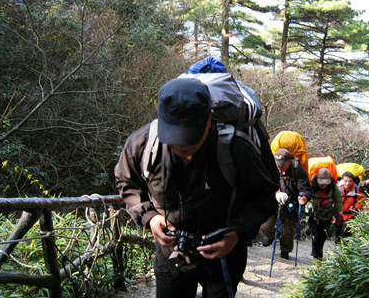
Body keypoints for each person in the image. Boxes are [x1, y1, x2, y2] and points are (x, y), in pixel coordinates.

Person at [115, 77, 279, 298]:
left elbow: (265, 198)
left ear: (209, 119)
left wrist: (237, 232)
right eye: (173, 137)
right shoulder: (143, 143)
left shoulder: (235, 148)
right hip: (171, 254)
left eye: (190, 137)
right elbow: (127, 183)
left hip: (224, 256)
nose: (182, 145)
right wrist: (150, 217)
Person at [260, 149, 312, 259]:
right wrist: (275, 193)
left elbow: (306, 189)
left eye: (282, 165)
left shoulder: (297, 170)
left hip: (290, 203)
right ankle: (273, 235)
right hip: (274, 200)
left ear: (289, 162)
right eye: (277, 165)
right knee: (265, 226)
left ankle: (285, 251)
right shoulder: (272, 168)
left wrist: (303, 197)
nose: (279, 168)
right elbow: (266, 184)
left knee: (288, 233)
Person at [307, 167, 342, 259]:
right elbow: (306, 196)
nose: (323, 184)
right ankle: (316, 252)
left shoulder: (333, 187)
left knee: (323, 234)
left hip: (327, 213)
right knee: (316, 234)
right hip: (313, 213)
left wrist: (339, 212)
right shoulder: (311, 185)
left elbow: (338, 199)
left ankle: (319, 252)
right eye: (321, 181)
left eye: (326, 182)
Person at [335, 171, 365, 243]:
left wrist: (356, 207)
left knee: (345, 233)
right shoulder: (337, 189)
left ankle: (344, 249)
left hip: (350, 215)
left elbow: (362, 199)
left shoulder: (356, 189)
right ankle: (338, 247)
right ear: (342, 180)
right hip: (339, 215)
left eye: (350, 181)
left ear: (352, 181)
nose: (348, 183)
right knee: (337, 233)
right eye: (346, 181)